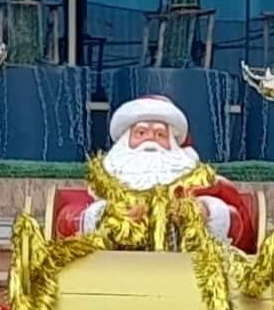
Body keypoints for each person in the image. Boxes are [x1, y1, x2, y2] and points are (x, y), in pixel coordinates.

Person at [51, 94, 260, 249]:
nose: (150, 139)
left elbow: (244, 234)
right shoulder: (106, 182)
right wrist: (107, 217)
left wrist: (208, 214)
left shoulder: (203, 184)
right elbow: (65, 222)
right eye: (141, 132)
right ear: (125, 142)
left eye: (160, 134)